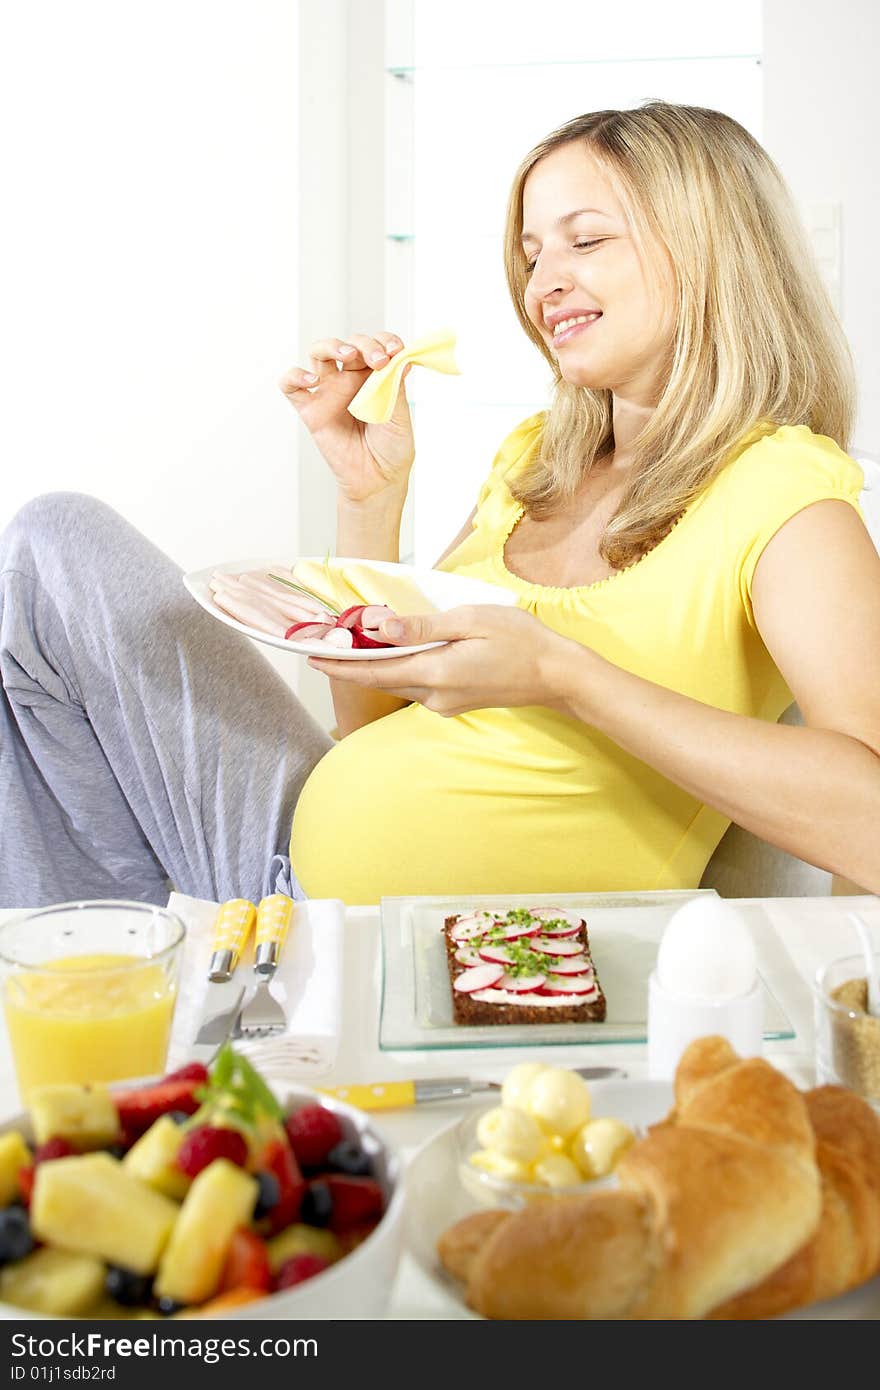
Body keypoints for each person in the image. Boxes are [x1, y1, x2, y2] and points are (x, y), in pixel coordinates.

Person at [1, 101, 878, 911]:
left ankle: (119, 957)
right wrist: (370, 500)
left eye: (586, 240)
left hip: (450, 939)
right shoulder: (535, 458)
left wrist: (567, 677)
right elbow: (370, 726)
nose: (544, 284)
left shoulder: (784, 492)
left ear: (713, 249)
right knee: (54, 544)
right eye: (534, 255)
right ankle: (91, 957)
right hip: (292, 867)